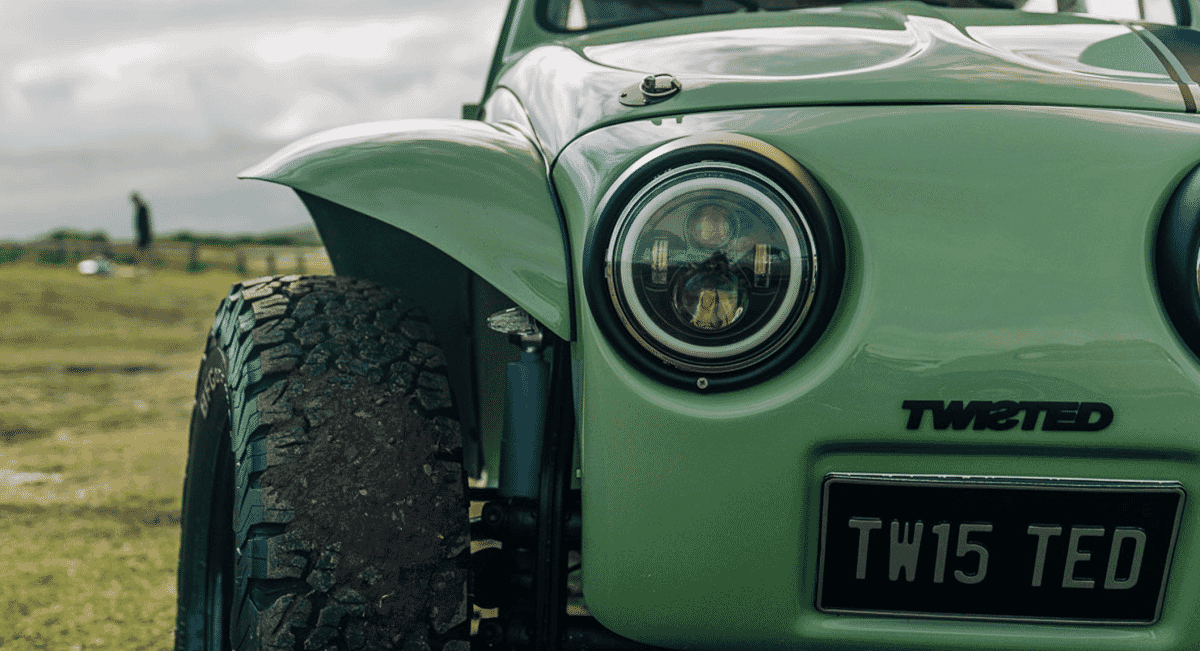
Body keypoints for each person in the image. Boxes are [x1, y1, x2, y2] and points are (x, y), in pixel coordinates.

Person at [131, 191, 153, 269]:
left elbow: (144, 223)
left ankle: (144, 267)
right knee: (142, 251)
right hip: (142, 233)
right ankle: (142, 267)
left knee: (143, 251)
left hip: (144, 234)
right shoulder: (141, 207)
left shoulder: (142, 208)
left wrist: (143, 235)